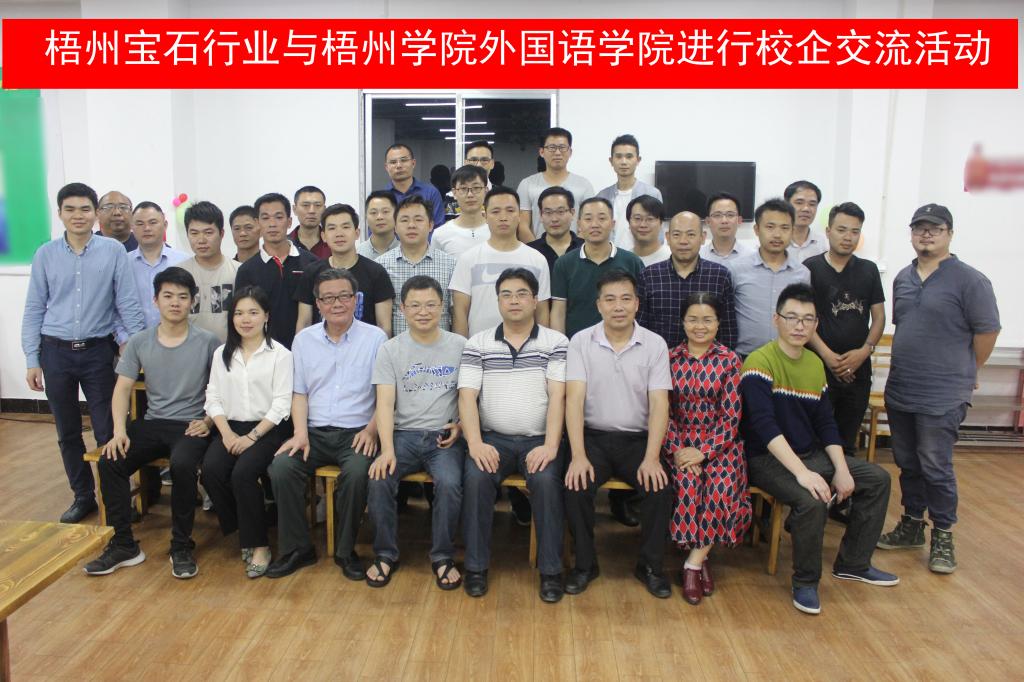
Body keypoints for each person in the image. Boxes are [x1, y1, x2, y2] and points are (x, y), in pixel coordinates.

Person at [740, 283, 898, 615]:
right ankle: (806, 581)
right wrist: (803, 473)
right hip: (766, 458)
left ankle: (853, 563)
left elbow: (826, 424)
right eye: (791, 317)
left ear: (816, 324)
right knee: (811, 500)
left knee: (877, 479)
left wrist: (840, 469)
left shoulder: (814, 364)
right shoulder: (758, 361)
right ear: (776, 320)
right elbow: (764, 427)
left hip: (809, 454)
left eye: (807, 319)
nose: (799, 326)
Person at [877, 204, 1000, 574]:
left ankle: (943, 534)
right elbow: (907, 325)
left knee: (935, 465)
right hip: (902, 389)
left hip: (943, 393)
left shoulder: (970, 280)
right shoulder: (903, 278)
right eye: (920, 228)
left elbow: (987, 331)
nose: (926, 234)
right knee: (907, 462)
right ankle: (912, 524)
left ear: (950, 234)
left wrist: (969, 370)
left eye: (935, 228)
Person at [83, 267, 220, 578]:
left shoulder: (208, 342)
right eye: (168, 296)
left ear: (192, 302)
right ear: (155, 300)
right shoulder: (140, 341)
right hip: (153, 422)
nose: (175, 303)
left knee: (182, 464)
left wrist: (208, 421)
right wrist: (118, 432)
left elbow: (223, 389)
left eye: (182, 297)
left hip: (191, 425)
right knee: (110, 460)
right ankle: (123, 545)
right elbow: (122, 389)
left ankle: (181, 546)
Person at [22, 182, 145, 523]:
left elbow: (128, 304)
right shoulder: (45, 254)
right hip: (55, 351)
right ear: (60, 213)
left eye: (85, 209)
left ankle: (115, 497)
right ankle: (83, 496)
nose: (78, 216)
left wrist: (137, 350)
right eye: (70, 209)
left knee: (108, 429)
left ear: (95, 214)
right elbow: (34, 308)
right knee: (67, 431)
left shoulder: (113, 251)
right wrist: (32, 359)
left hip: (97, 352)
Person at [266, 268, 386, 579]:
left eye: (344, 296)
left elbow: (386, 395)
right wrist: (300, 433)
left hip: (357, 433)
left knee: (357, 473)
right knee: (282, 467)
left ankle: (346, 551)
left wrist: (372, 430)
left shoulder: (375, 338)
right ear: (318, 304)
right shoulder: (303, 340)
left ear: (355, 300)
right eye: (328, 298)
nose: (337, 304)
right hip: (314, 433)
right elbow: (299, 393)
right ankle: (298, 548)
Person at [458, 268, 569, 602]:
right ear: (498, 301)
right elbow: (467, 397)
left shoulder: (556, 343)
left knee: (547, 482)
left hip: (540, 440)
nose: (514, 301)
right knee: (476, 479)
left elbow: (558, 396)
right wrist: (475, 444)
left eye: (522, 294)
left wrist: (550, 446)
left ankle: (551, 572)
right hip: (493, 439)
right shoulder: (478, 343)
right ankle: (475, 567)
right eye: (506, 294)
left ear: (535, 300)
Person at [563, 270, 674, 599]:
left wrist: (652, 458)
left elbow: (660, 403)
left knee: (660, 489)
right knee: (575, 485)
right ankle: (585, 565)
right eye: (610, 299)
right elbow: (574, 400)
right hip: (592, 439)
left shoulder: (655, 344)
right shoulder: (581, 341)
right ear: (599, 305)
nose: (618, 306)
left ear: (637, 303)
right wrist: (578, 456)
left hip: (637, 441)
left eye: (626, 299)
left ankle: (650, 566)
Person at [366, 276, 466, 590]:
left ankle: (442, 556)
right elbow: (384, 403)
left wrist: (461, 425)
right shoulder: (390, 350)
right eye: (415, 305)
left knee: (450, 483)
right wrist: (386, 449)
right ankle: (385, 554)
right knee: (379, 478)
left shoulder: (460, 346)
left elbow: (472, 397)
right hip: (402, 435)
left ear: (442, 307)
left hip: (443, 437)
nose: (423, 312)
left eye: (431, 305)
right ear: (402, 309)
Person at [200, 286, 293, 578]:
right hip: (231, 426)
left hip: (269, 428)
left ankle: (259, 545)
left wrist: (252, 437)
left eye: (253, 312)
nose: (246, 319)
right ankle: (244, 529)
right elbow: (213, 397)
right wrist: (227, 435)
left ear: (266, 316)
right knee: (211, 471)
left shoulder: (280, 354)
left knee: (242, 474)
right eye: (239, 313)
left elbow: (282, 404)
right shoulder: (222, 354)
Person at [664, 293, 751, 605]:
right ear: (682, 322)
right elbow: (663, 412)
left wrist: (704, 451)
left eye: (707, 320)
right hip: (678, 441)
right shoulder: (669, 359)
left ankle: (692, 564)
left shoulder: (729, 361)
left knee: (720, 486)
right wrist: (678, 449)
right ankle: (701, 558)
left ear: (718, 323)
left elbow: (731, 417)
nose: (699, 326)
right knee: (688, 484)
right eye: (693, 319)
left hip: (720, 442)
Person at [804, 203, 885, 462]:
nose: (848, 237)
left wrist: (864, 352)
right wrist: (828, 356)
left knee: (848, 441)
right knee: (815, 440)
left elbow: (879, 317)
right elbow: (804, 319)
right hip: (818, 367)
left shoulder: (868, 270)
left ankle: (845, 487)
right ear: (828, 231)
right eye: (841, 230)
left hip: (858, 370)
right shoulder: (810, 268)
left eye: (854, 231)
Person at [451, 187, 551, 337]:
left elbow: (542, 312)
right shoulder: (468, 259)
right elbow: (460, 312)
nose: (503, 217)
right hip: (479, 347)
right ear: (485, 216)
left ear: (519, 215)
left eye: (510, 211)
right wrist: (464, 348)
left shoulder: (537, 260)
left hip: (527, 347)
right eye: (496, 211)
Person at [638, 212, 737, 350]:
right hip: (659, 359)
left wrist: (724, 360)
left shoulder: (720, 276)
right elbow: (640, 328)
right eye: (676, 234)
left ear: (702, 238)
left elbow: (728, 330)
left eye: (690, 234)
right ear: (668, 237)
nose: (683, 241)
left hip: (708, 361)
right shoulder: (648, 276)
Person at [294, 203, 394, 336]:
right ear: (323, 236)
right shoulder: (311, 273)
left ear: (357, 233)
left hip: (365, 347)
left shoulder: (376, 272)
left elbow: (384, 326)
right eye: (332, 228)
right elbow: (304, 323)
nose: (339, 234)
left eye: (345, 227)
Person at [550, 197, 644, 339]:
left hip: (623, 344)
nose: (595, 224)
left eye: (602, 218)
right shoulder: (564, 263)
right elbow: (558, 311)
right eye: (588, 219)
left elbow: (641, 308)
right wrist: (561, 347)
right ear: (579, 224)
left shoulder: (632, 261)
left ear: (612, 224)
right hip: (577, 345)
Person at [234, 192, 317, 348]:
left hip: (308, 349)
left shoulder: (312, 263)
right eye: (265, 218)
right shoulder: (247, 270)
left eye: (279, 217)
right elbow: (242, 316)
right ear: (257, 223)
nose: (272, 224)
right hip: (263, 352)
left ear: (289, 222)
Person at [728, 198, 810, 357]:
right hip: (744, 357)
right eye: (770, 227)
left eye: (785, 228)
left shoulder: (802, 273)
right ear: (757, 229)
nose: (777, 235)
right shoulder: (736, 269)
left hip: (787, 357)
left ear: (793, 230)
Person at [376, 195, 457, 335]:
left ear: (431, 225)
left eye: (418, 219)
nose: (411, 225)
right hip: (397, 347)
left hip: (440, 347)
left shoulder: (451, 265)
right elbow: (382, 321)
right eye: (404, 220)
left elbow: (456, 314)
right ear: (395, 227)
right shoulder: (380, 266)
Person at [517, 127, 595, 241]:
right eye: (552, 148)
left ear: (570, 152)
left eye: (562, 147)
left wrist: (575, 249)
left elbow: (589, 222)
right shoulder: (527, 184)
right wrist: (537, 249)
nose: (557, 153)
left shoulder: (584, 185)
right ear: (542, 152)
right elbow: (522, 225)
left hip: (575, 250)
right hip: (537, 250)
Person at [179, 201, 239, 342]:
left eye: (208, 233)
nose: (201, 240)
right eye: (194, 233)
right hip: (190, 350)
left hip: (230, 350)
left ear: (222, 233)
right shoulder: (179, 273)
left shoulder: (239, 271)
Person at [595, 134, 664, 250]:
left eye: (629, 157)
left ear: (638, 160)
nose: (623, 162)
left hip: (642, 256)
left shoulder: (652, 194)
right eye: (618, 157)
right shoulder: (602, 197)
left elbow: (658, 234)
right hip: (611, 257)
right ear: (611, 161)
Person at [127, 201, 188, 328]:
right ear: (132, 227)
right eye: (140, 224)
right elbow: (116, 307)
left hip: (176, 336)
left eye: (153, 222)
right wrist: (125, 338)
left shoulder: (184, 261)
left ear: (165, 225)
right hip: (133, 337)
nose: (147, 228)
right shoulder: (123, 263)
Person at [431, 165, 491, 257]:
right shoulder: (440, 234)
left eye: (476, 188)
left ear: (486, 191)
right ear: (454, 193)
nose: (470, 194)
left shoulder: (498, 230)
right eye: (463, 189)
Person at [383, 143, 446, 227]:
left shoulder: (431, 193)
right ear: (386, 167)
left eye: (404, 160)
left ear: (413, 163)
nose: (399, 165)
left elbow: (438, 228)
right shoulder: (381, 198)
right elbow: (376, 230)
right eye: (393, 162)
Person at [527, 186, 584, 273]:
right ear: (541, 215)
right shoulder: (530, 251)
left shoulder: (586, 248)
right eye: (548, 212)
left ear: (572, 213)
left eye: (560, 212)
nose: (554, 219)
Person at [699, 191, 750, 266]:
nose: (724, 221)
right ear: (708, 221)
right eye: (717, 215)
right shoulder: (698, 256)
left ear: (739, 220)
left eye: (730, 215)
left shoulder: (751, 257)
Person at [784, 180, 827, 263]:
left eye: (812, 204)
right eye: (799, 203)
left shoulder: (825, 244)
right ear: (786, 205)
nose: (806, 209)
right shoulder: (775, 241)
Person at [625, 195, 670, 266]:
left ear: (661, 223)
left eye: (650, 219)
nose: (643, 225)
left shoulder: (672, 258)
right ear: (629, 222)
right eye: (637, 218)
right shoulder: (624, 261)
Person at [357, 191, 401, 259]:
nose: (379, 217)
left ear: (396, 215)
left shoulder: (406, 251)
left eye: (385, 211)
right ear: (366, 217)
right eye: (373, 212)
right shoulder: (358, 253)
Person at [289, 185, 330, 259]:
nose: (312, 211)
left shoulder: (333, 243)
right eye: (305, 205)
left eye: (317, 205)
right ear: (295, 209)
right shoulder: (284, 244)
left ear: (324, 210)